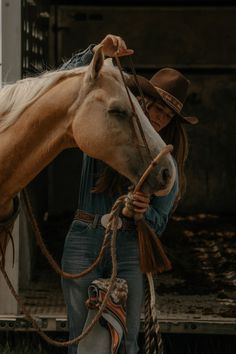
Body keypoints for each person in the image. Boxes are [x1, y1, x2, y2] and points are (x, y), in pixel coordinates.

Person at [60, 34, 198, 354]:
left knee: (127, 341)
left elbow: (159, 223)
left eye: (167, 114)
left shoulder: (166, 163)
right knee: (80, 340)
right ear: (141, 99)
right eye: (154, 106)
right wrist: (97, 52)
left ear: (172, 121)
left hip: (130, 245)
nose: (158, 116)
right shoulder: (107, 125)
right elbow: (67, 80)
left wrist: (142, 212)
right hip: (84, 234)